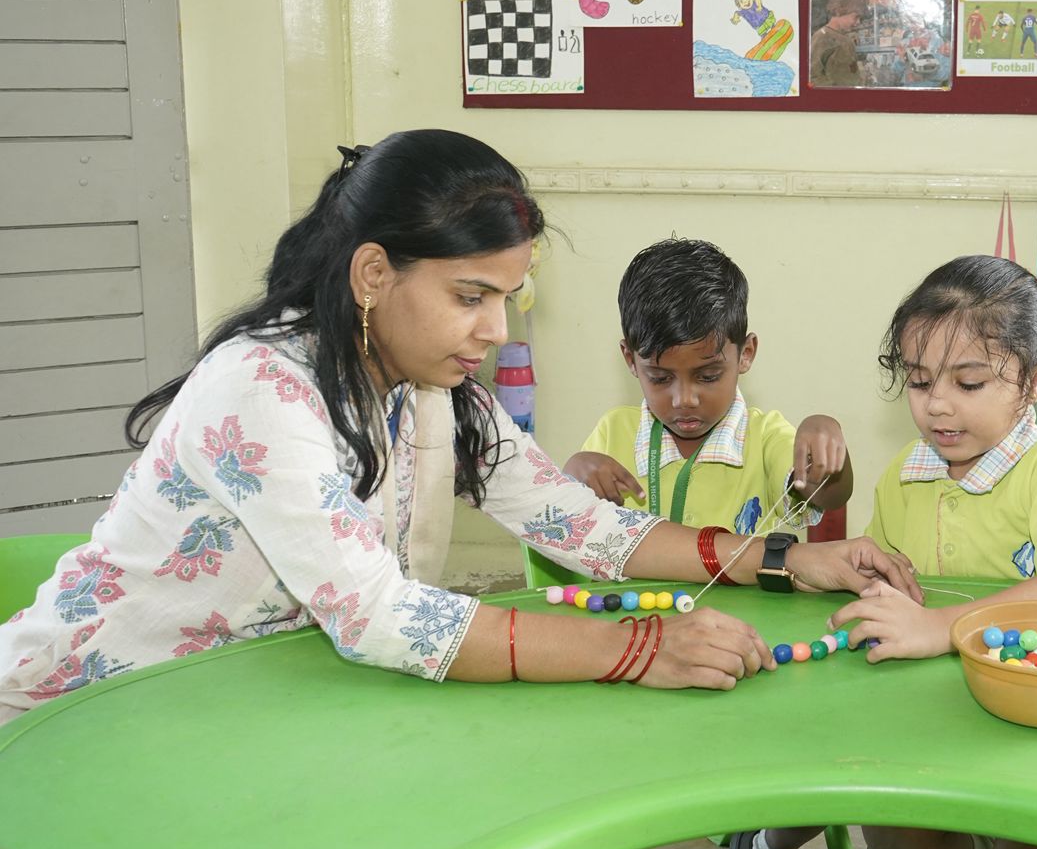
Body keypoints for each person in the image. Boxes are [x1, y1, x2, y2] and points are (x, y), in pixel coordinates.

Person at [0, 131, 916, 723]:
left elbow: (581, 524)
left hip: (241, 709)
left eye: (508, 298)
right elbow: (377, 614)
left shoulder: (432, 387)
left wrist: (786, 560)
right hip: (83, 718)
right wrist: (639, 649)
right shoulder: (261, 389)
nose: (496, 330)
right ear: (373, 276)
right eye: (471, 296)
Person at [732, 255, 1037, 849]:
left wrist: (940, 627)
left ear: (1036, 381)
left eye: (968, 384)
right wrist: (867, 582)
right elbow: (886, 594)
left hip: (1031, 726)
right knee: (893, 830)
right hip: (924, 723)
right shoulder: (904, 476)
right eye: (919, 381)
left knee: (1036, 845)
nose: (937, 406)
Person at [566, 238, 853, 536]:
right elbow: (565, 524)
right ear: (630, 359)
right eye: (660, 378)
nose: (684, 399)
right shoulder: (613, 432)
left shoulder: (767, 438)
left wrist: (827, 442)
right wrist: (572, 475)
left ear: (746, 354)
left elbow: (828, 495)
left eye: (708, 376)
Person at [810, 0, 866, 88]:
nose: (858, 22)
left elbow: (852, 72)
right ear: (839, 11)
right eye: (856, 17)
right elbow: (813, 75)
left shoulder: (847, 40)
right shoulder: (821, 37)